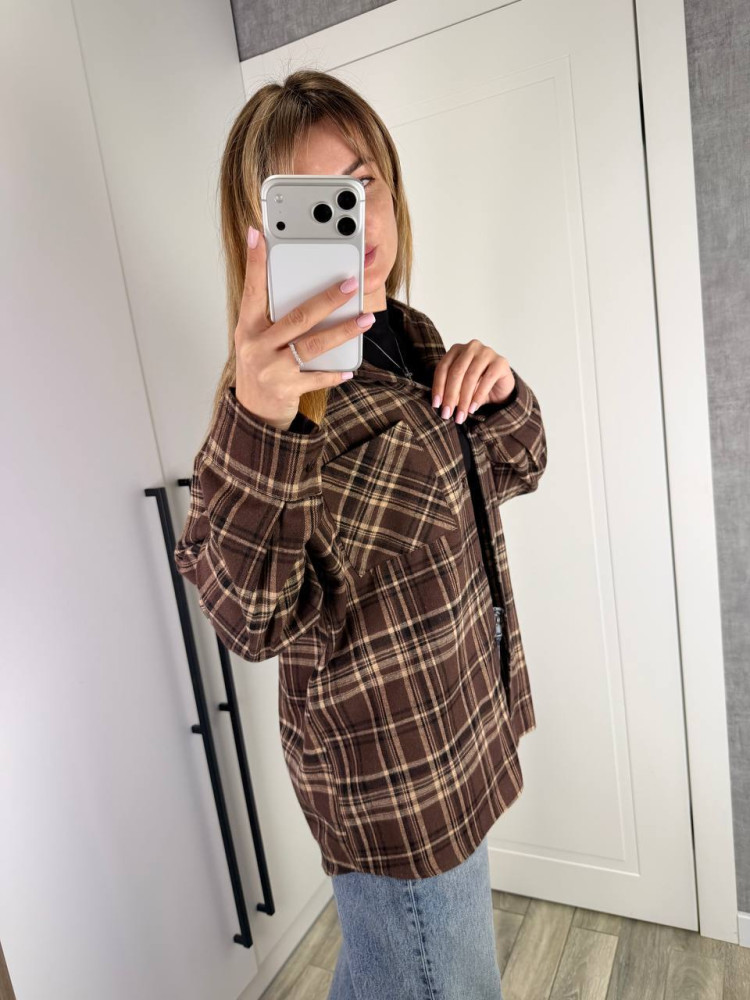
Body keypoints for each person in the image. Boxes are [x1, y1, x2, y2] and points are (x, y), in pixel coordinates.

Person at [174, 69, 547, 1000]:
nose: (356, 217)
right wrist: (262, 421)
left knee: (396, 972)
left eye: (363, 181)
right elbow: (249, 618)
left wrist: (500, 389)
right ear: (264, 233)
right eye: (315, 204)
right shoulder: (270, 406)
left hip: (458, 727)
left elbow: (515, 469)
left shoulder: (410, 338)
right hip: (391, 785)